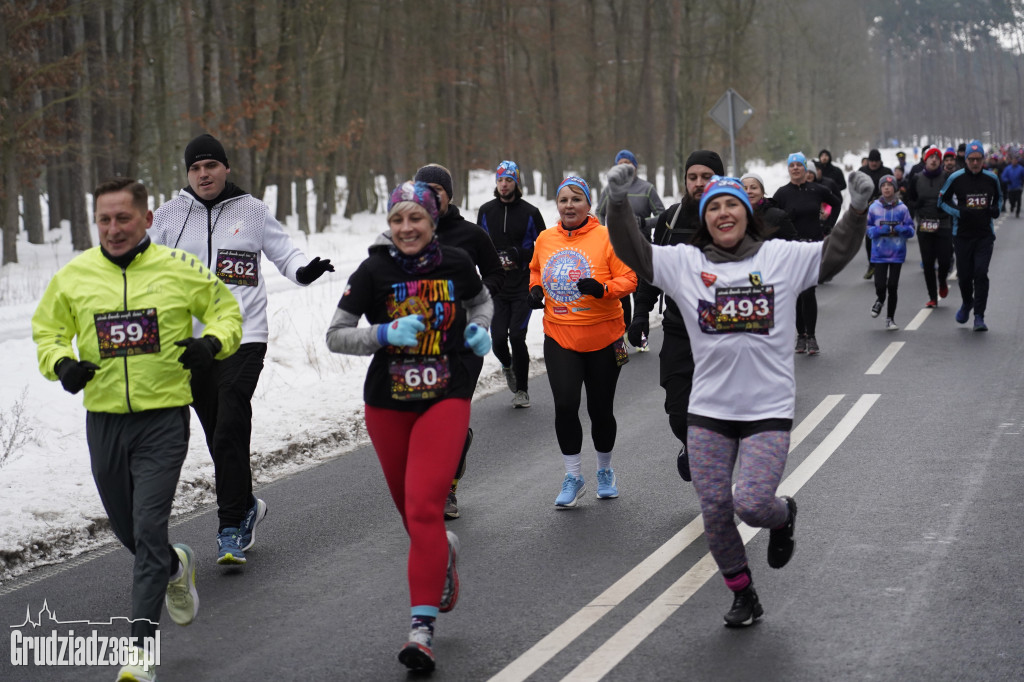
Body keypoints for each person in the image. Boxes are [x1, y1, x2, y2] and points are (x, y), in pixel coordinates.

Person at [604, 163, 873, 628]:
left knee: (750, 503)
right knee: (715, 509)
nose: (724, 213)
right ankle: (742, 591)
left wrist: (857, 209)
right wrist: (617, 201)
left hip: (767, 409)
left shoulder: (780, 258)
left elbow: (833, 255)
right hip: (709, 410)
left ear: (748, 214)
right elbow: (635, 251)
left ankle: (782, 513)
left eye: (733, 205)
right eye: (714, 207)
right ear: (704, 217)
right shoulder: (687, 264)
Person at [32, 178, 243, 681]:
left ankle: (140, 654)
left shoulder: (179, 269)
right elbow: (48, 331)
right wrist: (62, 364)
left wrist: (211, 344)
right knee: (129, 531)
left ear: (147, 220)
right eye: (104, 220)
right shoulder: (74, 276)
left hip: (163, 418)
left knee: (148, 527)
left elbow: (225, 312)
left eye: (123, 218)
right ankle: (173, 565)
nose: (113, 229)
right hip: (104, 421)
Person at [325, 181, 492, 672]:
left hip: (446, 393)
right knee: (413, 518)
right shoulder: (374, 271)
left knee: (423, 509)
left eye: (415, 218)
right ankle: (445, 553)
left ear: (432, 219)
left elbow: (482, 303)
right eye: (398, 219)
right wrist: (382, 333)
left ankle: (421, 631)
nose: (406, 227)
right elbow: (335, 335)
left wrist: (479, 330)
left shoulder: (457, 263)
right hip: (388, 403)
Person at [150, 133, 334, 566]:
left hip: (244, 337)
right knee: (220, 435)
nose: (203, 174)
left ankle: (230, 527)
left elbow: (284, 253)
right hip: (190, 346)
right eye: (195, 168)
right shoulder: (169, 216)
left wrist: (303, 271)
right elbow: (143, 267)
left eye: (210, 166)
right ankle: (246, 502)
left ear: (226, 168)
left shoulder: (252, 211)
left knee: (232, 414)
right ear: (188, 173)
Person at [529, 175, 637, 507]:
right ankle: (573, 477)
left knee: (600, 410)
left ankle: (605, 470)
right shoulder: (545, 239)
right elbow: (535, 270)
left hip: (604, 336)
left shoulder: (607, 237)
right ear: (557, 205)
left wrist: (604, 290)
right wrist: (534, 288)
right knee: (565, 405)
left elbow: (630, 277)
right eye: (564, 200)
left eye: (577, 199)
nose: (569, 205)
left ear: (588, 205)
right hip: (560, 334)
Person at [414, 163, 504, 520]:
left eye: (437, 189)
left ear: (449, 194)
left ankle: (447, 490)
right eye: (423, 189)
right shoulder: (408, 231)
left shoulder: (472, 235)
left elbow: (495, 272)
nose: (430, 196)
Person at [630, 150, 725, 483]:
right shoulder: (672, 219)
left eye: (707, 177)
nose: (699, 183)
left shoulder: (735, 218)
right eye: (692, 177)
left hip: (722, 335)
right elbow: (653, 271)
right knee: (677, 412)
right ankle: (691, 446)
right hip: (678, 331)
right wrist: (640, 313)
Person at [476, 160, 546, 409]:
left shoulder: (530, 212)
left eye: (509, 180)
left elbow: (546, 246)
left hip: (523, 286)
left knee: (517, 335)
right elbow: (478, 246)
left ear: (516, 182)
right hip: (496, 288)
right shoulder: (485, 211)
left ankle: (523, 391)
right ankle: (507, 366)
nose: (504, 185)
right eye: (500, 180)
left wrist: (520, 253)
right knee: (496, 339)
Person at [772, 152, 842, 355]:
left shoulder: (817, 190)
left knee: (809, 292)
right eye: (791, 165)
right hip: (791, 248)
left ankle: (811, 336)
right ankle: (800, 335)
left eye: (799, 165)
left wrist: (829, 225)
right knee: (796, 294)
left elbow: (836, 203)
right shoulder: (782, 194)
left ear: (805, 168)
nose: (795, 168)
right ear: (788, 169)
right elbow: (773, 217)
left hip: (812, 247)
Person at [596, 150, 665, 349]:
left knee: (639, 295)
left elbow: (662, 216)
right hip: (616, 251)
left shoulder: (647, 188)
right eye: (621, 163)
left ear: (635, 166)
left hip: (640, 249)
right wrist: (604, 233)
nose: (625, 167)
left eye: (628, 163)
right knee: (620, 297)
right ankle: (622, 338)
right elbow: (600, 212)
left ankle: (641, 338)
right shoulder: (610, 189)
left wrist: (644, 222)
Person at [938, 139, 1003, 331]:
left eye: (979, 159)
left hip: (984, 235)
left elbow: (999, 199)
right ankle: (967, 302)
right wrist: (960, 212)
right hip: (962, 235)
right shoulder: (955, 178)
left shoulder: (991, 178)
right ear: (966, 160)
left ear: (983, 159)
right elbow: (942, 201)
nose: (975, 163)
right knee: (965, 277)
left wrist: (994, 210)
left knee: (981, 274)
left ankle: (979, 317)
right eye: (971, 159)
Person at [867, 175, 915, 329]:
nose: (886, 188)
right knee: (880, 285)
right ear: (880, 189)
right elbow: (868, 230)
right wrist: (880, 230)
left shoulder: (902, 208)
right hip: (879, 253)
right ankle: (880, 300)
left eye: (889, 185)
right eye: (883, 185)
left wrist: (902, 229)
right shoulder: (874, 207)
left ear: (894, 188)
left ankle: (890, 319)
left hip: (897, 253)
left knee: (893, 286)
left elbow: (911, 230)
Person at [907, 146, 953, 306]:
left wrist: (945, 207)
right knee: (927, 262)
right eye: (930, 157)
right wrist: (916, 204)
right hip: (925, 224)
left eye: (936, 157)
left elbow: (952, 199)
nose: (934, 159)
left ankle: (942, 281)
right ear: (925, 160)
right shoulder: (916, 178)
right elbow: (909, 200)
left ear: (940, 161)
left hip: (944, 223)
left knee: (945, 261)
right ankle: (933, 297)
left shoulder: (947, 177)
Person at [857, 149, 894, 279]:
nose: (873, 163)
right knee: (869, 238)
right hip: (868, 211)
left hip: (885, 210)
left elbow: (894, 188)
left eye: (876, 161)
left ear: (880, 161)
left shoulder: (887, 172)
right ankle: (872, 264)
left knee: (885, 237)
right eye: (871, 161)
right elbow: (857, 189)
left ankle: (884, 265)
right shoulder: (862, 171)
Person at [741, 173, 798, 241]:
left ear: (762, 192)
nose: (748, 191)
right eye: (744, 188)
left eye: (753, 188)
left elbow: (792, 243)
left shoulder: (778, 216)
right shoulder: (736, 216)